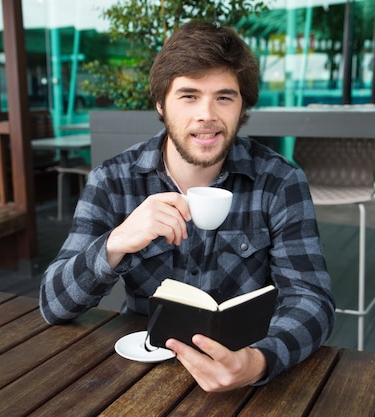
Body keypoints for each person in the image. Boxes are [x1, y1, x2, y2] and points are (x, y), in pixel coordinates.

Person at [40, 21, 335, 392]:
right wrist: (115, 243)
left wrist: (260, 361)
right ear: (161, 103)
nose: (207, 115)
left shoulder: (279, 180)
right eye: (189, 96)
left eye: (224, 97)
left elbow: (312, 299)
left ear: (242, 106)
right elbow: (53, 304)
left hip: (243, 370)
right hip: (142, 372)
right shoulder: (113, 180)